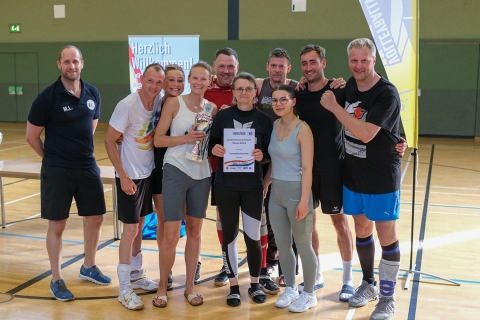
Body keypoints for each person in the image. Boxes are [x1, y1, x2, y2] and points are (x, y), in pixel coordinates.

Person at [320, 38, 402, 320]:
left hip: (381, 176)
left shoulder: (386, 93)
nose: (358, 66)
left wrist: (335, 107)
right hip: (353, 173)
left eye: (364, 60)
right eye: (354, 60)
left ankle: (388, 299)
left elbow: (367, 133)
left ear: (374, 60)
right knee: (362, 229)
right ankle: (368, 284)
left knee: (386, 235)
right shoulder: (350, 86)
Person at [25, 45, 111, 302]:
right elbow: (31, 136)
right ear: (59, 65)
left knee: (95, 218)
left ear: (82, 64)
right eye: (67, 62)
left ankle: (89, 266)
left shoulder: (92, 93)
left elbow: (91, 128)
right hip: (57, 170)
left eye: (75, 61)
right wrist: (51, 159)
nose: (71, 66)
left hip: (86, 166)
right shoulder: (47, 97)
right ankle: (56, 278)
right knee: (58, 224)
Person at [153, 61, 217, 308]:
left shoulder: (211, 109)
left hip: (201, 174)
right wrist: (186, 137)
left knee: (195, 232)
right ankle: (161, 287)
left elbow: (207, 142)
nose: (199, 83)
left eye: (204, 79)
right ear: (189, 79)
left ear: (209, 82)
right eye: (195, 78)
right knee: (170, 235)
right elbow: (158, 140)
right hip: (176, 171)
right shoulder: (174, 103)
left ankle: (190, 286)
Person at [295, 44, 356, 301]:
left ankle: (348, 280)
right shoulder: (298, 93)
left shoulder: (339, 89)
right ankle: (316, 275)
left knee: (340, 223)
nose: (309, 68)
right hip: (305, 170)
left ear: (323, 63)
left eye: (313, 62)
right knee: (309, 226)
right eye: (305, 64)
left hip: (333, 169)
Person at [104, 62, 165, 310]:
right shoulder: (127, 105)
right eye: (151, 81)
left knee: (139, 225)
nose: (154, 86)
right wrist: (123, 175)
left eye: (159, 82)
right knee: (129, 229)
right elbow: (109, 141)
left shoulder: (159, 102)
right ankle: (124, 289)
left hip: (147, 173)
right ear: (142, 79)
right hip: (129, 175)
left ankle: (136, 274)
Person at [209, 72, 273, 307]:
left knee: (253, 237)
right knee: (230, 237)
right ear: (234, 92)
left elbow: (269, 155)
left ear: (254, 92)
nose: (244, 92)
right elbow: (212, 145)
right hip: (225, 186)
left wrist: (261, 156)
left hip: (252, 188)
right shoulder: (223, 116)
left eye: (248, 88)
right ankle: (234, 286)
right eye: (240, 89)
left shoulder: (264, 120)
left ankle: (254, 284)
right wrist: (215, 150)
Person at [263, 84, 318, 313]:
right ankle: (291, 288)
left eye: (283, 99)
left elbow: (307, 168)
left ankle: (310, 293)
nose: (278, 104)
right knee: (284, 246)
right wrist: (266, 183)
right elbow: (275, 160)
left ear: (293, 101)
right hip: (276, 194)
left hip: (297, 193)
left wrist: (305, 200)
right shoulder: (275, 125)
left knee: (304, 246)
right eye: (274, 100)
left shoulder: (303, 129)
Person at [151, 64, 202, 288]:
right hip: (160, 164)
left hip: (189, 165)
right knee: (165, 220)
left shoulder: (196, 106)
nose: (175, 84)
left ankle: (194, 263)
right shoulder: (154, 104)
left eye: (179, 80)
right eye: (170, 80)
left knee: (192, 224)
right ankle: (167, 269)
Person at [203, 47, 240, 287]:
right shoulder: (204, 90)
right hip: (213, 167)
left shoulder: (248, 89)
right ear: (214, 67)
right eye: (222, 66)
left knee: (256, 219)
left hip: (245, 166)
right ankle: (227, 264)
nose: (226, 71)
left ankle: (264, 266)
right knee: (221, 217)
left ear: (237, 68)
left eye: (231, 66)